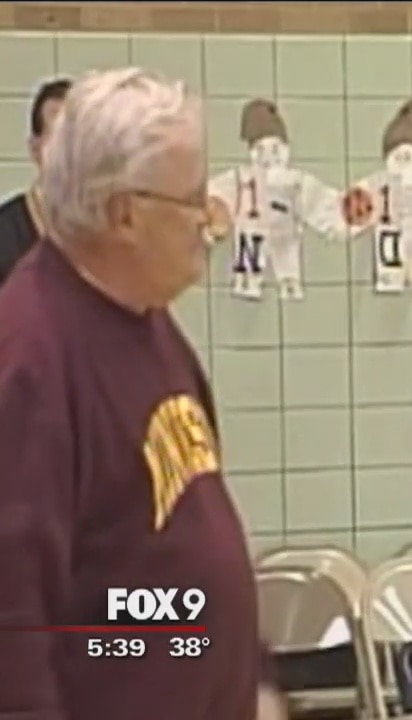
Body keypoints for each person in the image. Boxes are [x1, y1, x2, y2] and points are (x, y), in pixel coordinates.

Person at [0, 67, 285, 720]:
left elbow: (195, 528)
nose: (208, 220)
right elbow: (15, 617)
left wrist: (251, 672)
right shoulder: (31, 356)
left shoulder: (147, 320)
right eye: (191, 199)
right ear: (124, 213)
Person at [0, 77, 70, 285]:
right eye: (58, 139)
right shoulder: (4, 234)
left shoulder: (104, 235)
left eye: (78, 140)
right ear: (35, 149)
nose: (70, 152)